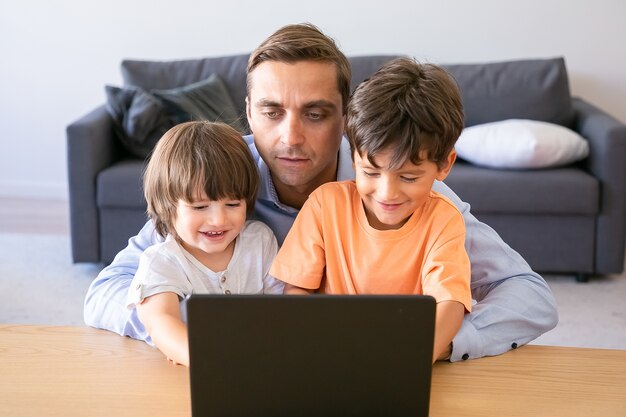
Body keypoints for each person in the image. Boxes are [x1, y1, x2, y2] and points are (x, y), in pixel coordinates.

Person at [84, 23, 558, 362]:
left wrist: (439, 345)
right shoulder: (217, 180)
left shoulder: (399, 190)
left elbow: (528, 296)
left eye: (315, 113)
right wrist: (187, 325)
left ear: (347, 118)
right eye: (272, 112)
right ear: (248, 113)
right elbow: (107, 291)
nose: (290, 137)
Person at [270, 58, 471, 362]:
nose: (387, 193)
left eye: (408, 177)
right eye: (371, 173)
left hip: (404, 357)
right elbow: (296, 290)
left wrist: (414, 358)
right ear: (352, 156)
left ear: (444, 165)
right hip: (328, 353)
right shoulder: (325, 204)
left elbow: (451, 302)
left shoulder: (444, 219)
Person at [125, 121, 283, 366]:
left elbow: (281, 310)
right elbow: (161, 322)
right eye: (199, 207)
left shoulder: (259, 241)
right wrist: (212, 361)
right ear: (167, 206)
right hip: (198, 372)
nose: (218, 220)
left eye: (233, 204)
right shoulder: (161, 261)